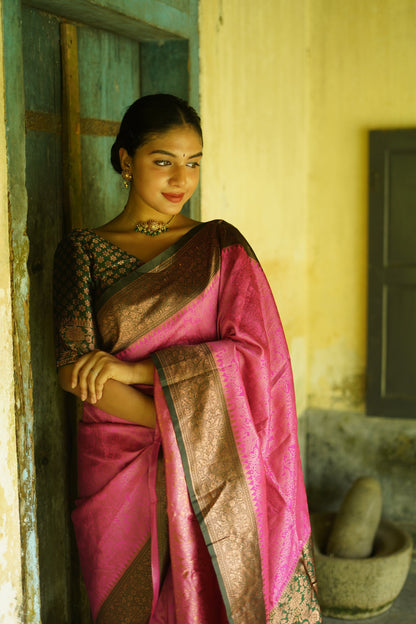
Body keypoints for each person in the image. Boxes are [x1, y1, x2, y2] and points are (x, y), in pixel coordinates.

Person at [53, 93, 321, 624]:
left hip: (213, 455)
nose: (182, 178)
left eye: (194, 162)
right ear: (126, 161)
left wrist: (142, 379)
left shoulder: (220, 247)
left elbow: (254, 356)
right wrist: (182, 424)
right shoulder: (82, 250)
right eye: (164, 161)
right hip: (121, 462)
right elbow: (74, 368)